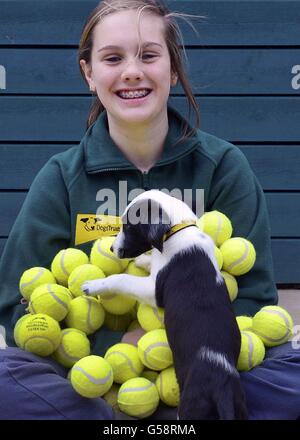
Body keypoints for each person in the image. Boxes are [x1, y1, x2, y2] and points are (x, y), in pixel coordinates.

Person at [0, 0, 299, 420]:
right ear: (89, 73)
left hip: (204, 369)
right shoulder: (62, 176)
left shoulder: (223, 166)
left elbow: (253, 298)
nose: (132, 71)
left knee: (290, 378)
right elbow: (16, 304)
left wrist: (166, 343)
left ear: (173, 69)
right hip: (89, 379)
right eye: (112, 58)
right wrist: (115, 355)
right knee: (5, 382)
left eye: (149, 55)